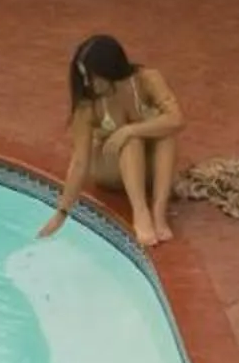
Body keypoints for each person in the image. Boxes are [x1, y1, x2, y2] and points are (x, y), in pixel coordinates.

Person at [37, 33, 185, 248]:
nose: (88, 83)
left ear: (110, 68)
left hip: (148, 167)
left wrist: (129, 130)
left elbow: (177, 119)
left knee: (163, 133)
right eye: (84, 76)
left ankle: (159, 212)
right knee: (131, 142)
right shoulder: (88, 105)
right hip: (112, 168)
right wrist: (61, 213)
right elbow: (79, 161)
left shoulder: (147, 79)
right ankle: (140, 213)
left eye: (93, 76)